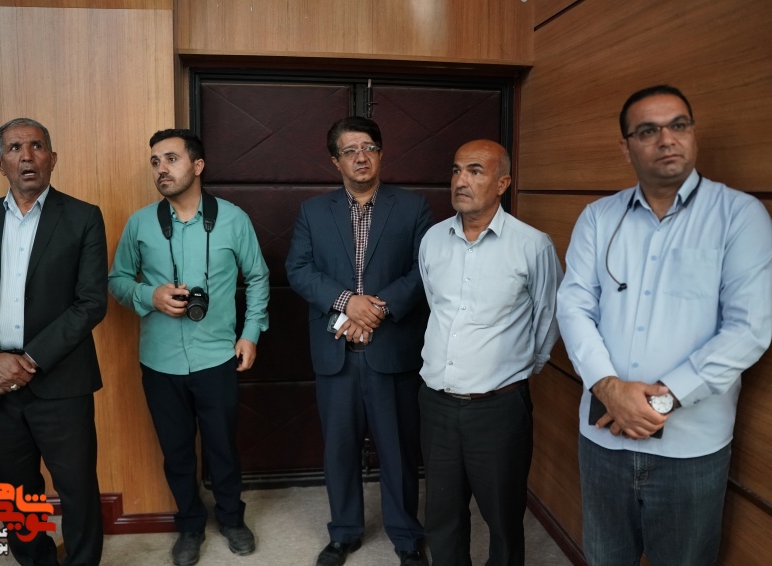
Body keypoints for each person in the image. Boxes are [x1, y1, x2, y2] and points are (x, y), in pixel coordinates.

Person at [556, 85, 772, 566]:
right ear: (626, 147)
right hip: (603, 438)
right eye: (648, 131)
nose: (666, 139)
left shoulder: (738, 216)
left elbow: (749, 329)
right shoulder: (599, 217)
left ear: (693, 134)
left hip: (691, 448)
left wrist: (658, 401)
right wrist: (609, 388)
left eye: (678, 125)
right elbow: (574, 306)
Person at [0, 118, 107, 565]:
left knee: (77, 488)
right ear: (0, 162)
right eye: (15, 148)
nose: (27, 155)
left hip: (62, 382)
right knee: (14, 494)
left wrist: (30, 359)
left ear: (52, 158)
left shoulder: (83, 217)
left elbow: (91, 302)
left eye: (37, 146)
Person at [108, 129, 269, 566]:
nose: (161, 169)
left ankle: (232, 519)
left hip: (217, 357)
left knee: (222, 448)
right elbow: (117, 280)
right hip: (159, 361)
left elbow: (258, 277)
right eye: (155, 161)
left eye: (171, 159)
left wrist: (250, 334)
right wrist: (150, 296)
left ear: (197, 166)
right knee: (177, 452)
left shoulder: (233, 219)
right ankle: (190, 526)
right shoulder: (140, 223)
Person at [286, 117, 433, 566]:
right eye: (350, 150)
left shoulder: (413, 208)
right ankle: (344, 532)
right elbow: (299, 269)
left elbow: (424, 270)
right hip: (337, 354)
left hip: (393, 351)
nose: (361, 157)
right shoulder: (313, 211)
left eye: (369, 147)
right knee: (340, 450)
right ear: (336, 161)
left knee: (399, 451)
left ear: (381, 154)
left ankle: (406, 536)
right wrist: (348, 302)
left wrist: (377, 309)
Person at [418, 139, 562, 566]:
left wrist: (517, 371)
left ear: (503, 183)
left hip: (498, 409)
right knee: (441, 515)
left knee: (503, 519)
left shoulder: (532, 245)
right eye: (456, 170)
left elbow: (549, 318)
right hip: (437, 404)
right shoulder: (432, 240)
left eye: (475, 171)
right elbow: (435, 305)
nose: (461, 180)